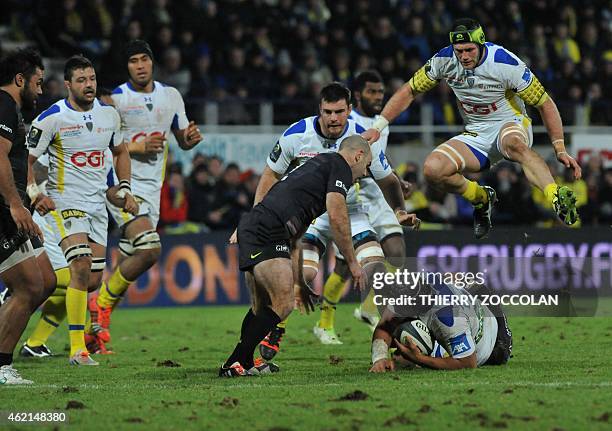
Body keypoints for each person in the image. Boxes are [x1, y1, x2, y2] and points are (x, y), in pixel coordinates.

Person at [363, 18, 582, 239]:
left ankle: (555, 196)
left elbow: (545, 103)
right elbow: (409, 90)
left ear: (481, 44)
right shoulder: (444, 60)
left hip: (511, 123)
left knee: (514, 144)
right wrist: (379, 125)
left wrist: (560, 148)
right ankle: (481, 198)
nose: (464, 56)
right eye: (459, 51)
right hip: (476, 131)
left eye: (469, 49)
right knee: (432, 170)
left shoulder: (505, 63)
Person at [220, 136, 371, 377]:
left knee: (263, 306)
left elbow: (296, 240)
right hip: (267, 229)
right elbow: (337, 216)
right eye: (367, 165)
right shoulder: (339, 166)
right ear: (358, 156)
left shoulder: (319, 169)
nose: (365, 173)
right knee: (284, 304)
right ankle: (233, 362)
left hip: (259, 226)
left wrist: (300, 281)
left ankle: (245, 362)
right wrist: (353, 263)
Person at [91, 40, 202, 349]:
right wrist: (137, 147)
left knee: (132, 263)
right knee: (150, 249)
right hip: (121, 186)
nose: (139, 65)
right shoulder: (116, 99)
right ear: (127, 67)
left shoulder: (171, 96)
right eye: (133, 61)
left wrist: (190, 139)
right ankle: (99, 304)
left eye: (144, 59)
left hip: (152, 192)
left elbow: (181, 139)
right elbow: (104, 143)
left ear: (153, 62)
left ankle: (93, 333)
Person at [27, 55, 138, 365]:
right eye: (81, 80)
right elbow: (27, 161)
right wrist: (35, 193)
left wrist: (125, 187)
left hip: (97, 205)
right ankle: (78, 349)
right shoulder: (51, 118)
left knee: (91, 280)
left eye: (91, 79)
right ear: (67, 85)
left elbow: (121, 152)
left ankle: (35, 336)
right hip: (65, 202)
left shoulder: (109, 116)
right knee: (81, 265)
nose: (89, 85)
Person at [311, 70, 417, 345]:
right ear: (356, 97)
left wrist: (395, 178)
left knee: (396, 252)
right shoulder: (347, 122)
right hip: (353, 197)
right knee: (346, 266)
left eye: (381, 92)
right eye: (372, 92)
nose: (378, 97)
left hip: (380, 197)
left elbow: (380, 155)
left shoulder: (382, 123)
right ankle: (325, 322)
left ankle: (369, 309)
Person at [0, 48, 49, 384]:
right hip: (3, 209)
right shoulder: (3, 104)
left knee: (47, 279)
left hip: (13, 208)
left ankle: (8, 304)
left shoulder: (10, 108)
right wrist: (17, 206)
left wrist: (28, 200)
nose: (41, 90)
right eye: (38, 82)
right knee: (30, 286)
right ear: (21, 79)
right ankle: (2, 365)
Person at [370, 282, 512, 372]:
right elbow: (384, 327)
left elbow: (468, 363)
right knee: (475, 286)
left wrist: (419, 359)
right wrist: (379, 358)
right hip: (470, 312)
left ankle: (504, 337)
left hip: (492, 344)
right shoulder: (418, 288)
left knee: (481, 289)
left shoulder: (449, 319)